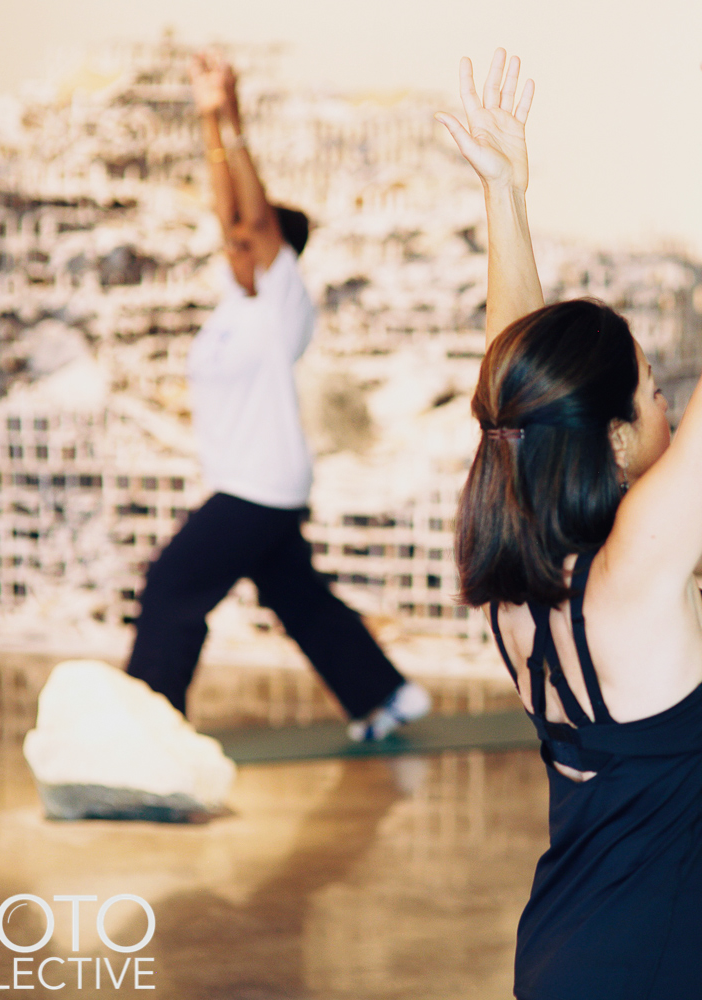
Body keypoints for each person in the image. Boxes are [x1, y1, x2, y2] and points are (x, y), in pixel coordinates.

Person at [435, 5, 702, 997]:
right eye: (655, 387)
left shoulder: (522, 577)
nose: (673, 395)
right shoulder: (637, 572)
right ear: (614, 436)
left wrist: (507, 193)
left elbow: (518, 392)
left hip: (579, 960)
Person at [125, 51, 429, 741]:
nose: (232, 243)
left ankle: (149, 726)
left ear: (274, 251)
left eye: (246, 240)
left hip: (256, 484)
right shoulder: (239, 300)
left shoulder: (282, 299)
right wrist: (206, 116)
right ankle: (386, 695)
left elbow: (252, 218)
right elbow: (229, 209)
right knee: (296, 595)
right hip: (259, 481)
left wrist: (231, 115)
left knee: (171, 587)